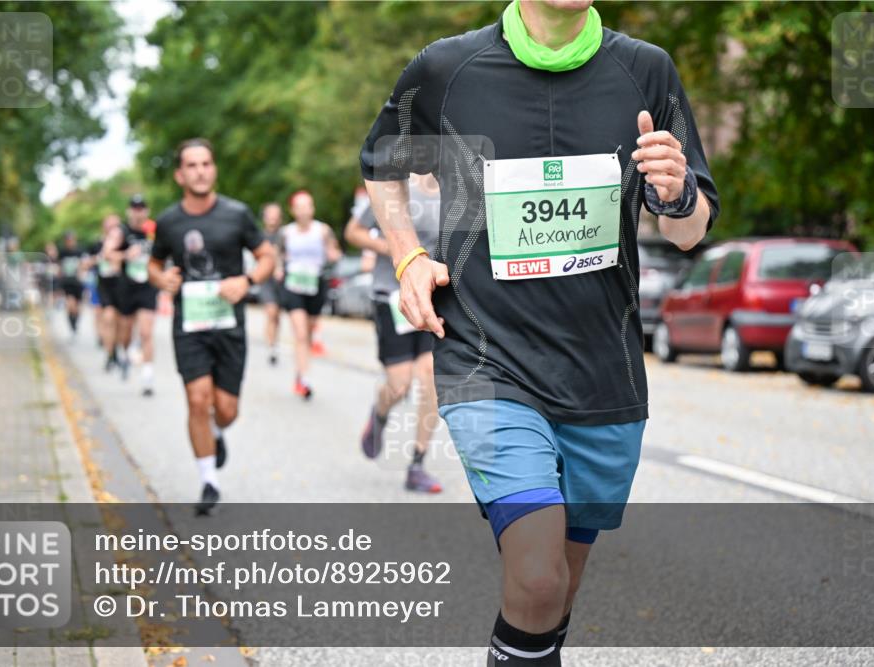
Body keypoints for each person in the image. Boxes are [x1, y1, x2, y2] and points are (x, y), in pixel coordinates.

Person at [361, 1, 719, 663]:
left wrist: (676, 194)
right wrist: (407, 254)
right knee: (536, 573)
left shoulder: (646, 71)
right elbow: (382, 163)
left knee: (554, 594)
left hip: (603, 377)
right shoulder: (447, 68)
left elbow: (688, 230)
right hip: (487, 362)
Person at [149, 138, 275, 515]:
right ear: (179, 174)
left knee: (226, 409)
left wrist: (248, 282)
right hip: (189, 325)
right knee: (197, 399)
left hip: (228, 325)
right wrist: (161, 280)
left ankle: (218, 433)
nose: (200, 170)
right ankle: (208, 481)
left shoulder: (236, 214)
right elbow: (154, 264)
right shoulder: (170, 221)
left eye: (206, 163)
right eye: (192, 165)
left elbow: (267, 256)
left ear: (213, 169)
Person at [345, 173, 444, 494]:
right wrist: (391, 246)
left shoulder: (452, 185)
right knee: (399, 384)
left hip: (435, 296)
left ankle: (417, 463)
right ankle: (381, 412)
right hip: (391, 292)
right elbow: (353, 231)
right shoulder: (392, 184)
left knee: (429, 374)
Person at [277, 190, 341, 399]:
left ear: (312, 208)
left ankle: (300, 372)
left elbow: (335, 253)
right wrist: (278, 268)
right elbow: (277, 255)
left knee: (310, 332)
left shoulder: (322, 230)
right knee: (300, 333)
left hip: (315, 284)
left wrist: (332, 255)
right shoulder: (286, 233)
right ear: (293, 210)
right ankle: (305, 379)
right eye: (300, 206)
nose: (304, 210)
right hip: (293, 285)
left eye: (308, 206)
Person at [118, 194, 160, 396]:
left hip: (148, 286)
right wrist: (125, 254)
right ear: (129, 210)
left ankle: (148, 378)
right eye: (134, 208)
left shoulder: (154, 230)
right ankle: (125, 353)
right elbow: (107, 253)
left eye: (141, 208)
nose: (138, 212)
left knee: (146, 332)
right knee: (125, 331)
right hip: (127, 286)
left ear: (147, 210)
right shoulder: (122, 231)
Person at [89, 215, 127, 374]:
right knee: (108, 317)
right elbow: (93, 260)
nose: (112, 227)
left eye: (115, 225)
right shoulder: (99, 243)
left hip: (121, 285)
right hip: (104, 285)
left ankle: (115, 351)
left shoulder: (124, 243)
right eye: (109, 225)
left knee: (119, 322)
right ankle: (110, 353)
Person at [258, 202, 285, 366]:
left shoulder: (285, 234)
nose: (273, 217)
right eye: (270, 214)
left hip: (281, 281)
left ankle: (274, 342)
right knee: (271, 312)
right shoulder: (259, 236)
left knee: (277, 316)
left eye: (276, 214)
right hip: (266, 280)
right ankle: (271, 347)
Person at [56, 232, 85, 338]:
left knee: (77, 307)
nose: (70, 242)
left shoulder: (80, 251)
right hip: (67, 282)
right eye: (68, 240)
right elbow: (59, 267)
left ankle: (75, 321)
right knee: (70, 305)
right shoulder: (62, 252)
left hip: (78, 282)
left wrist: (82, 274)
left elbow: (84, 264)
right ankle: (72, 325)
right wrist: (59, 283)